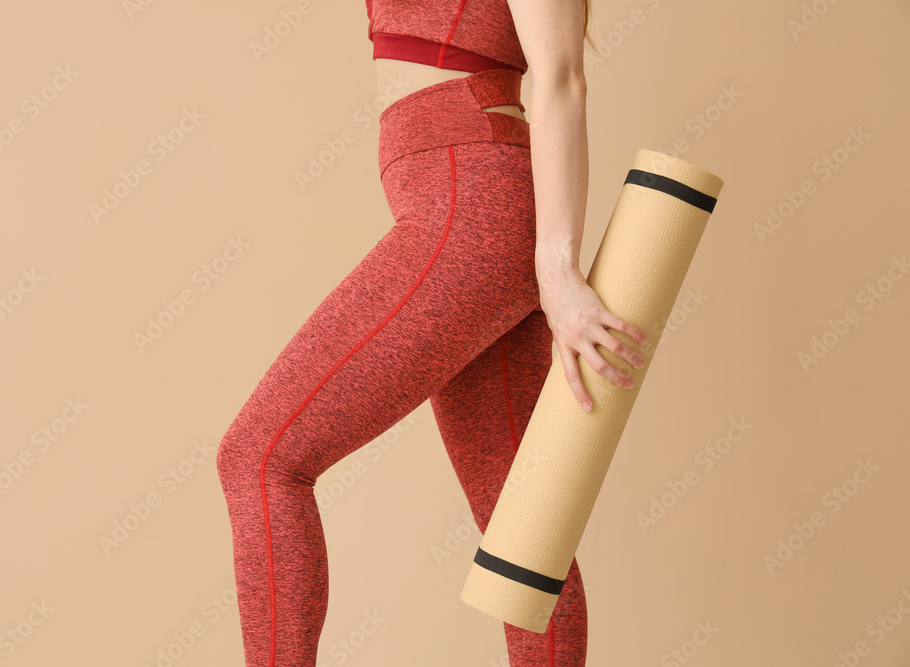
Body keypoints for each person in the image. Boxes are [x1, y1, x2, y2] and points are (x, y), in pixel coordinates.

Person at [216, 0, 649, 664]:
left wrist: (557, 269)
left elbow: (562, 78)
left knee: (262, 457)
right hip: (454, 196)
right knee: (521, 530)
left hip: (470, 204)